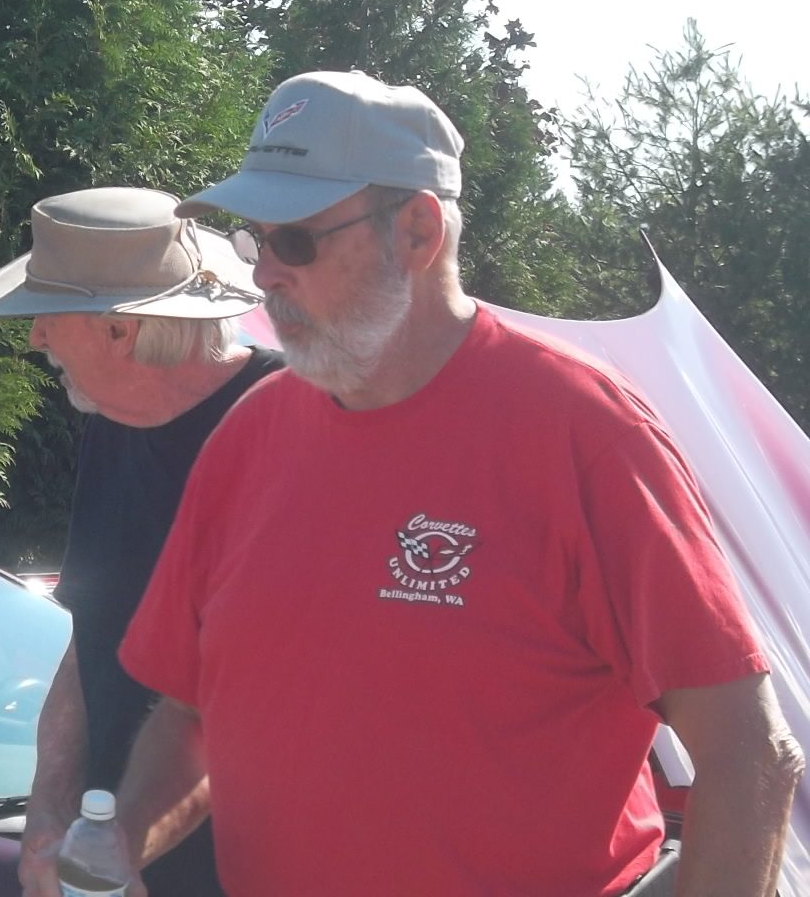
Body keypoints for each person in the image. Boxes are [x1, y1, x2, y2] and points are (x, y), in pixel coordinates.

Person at [112, 70, 803, 895]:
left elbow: (749, 752)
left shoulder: (584, 432)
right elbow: (189, 717)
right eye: (255, 242)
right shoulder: (247, 439)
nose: (264, 275)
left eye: (294, 240)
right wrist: (116, 841)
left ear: (417, 230)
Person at [0, 186, 281, 897]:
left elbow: (270, 694)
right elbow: (92, 638)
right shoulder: (112, 426)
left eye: (48, 314)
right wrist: (50, 810)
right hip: (113, 864)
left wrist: (129, 841)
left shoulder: (293, 423)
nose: (35, 338)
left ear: (121, 331)